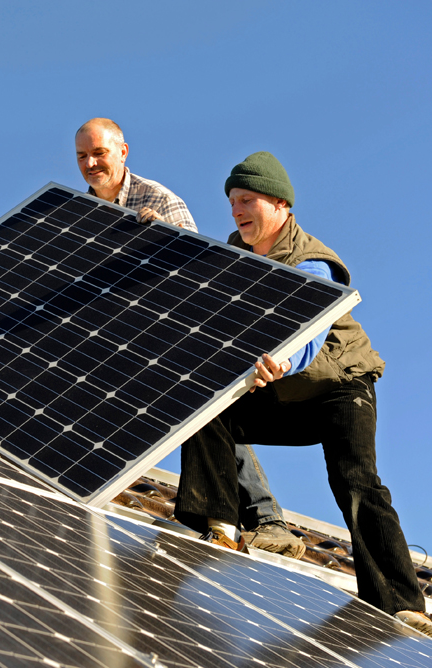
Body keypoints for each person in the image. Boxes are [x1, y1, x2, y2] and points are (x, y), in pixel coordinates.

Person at [174, 151, 432, 639]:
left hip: (340, 386)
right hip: (284, 393)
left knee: (355, 479)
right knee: (206, 410)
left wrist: (281, 362)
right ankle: (221, 528)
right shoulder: (233, 258)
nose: (237, 211)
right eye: (232, 202)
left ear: (280, 204)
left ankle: (401, 603)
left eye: (247, 200)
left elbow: (308, 332)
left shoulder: (311, 258)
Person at [75, 119, 303, 559]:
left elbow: (198, 274)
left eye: (99, 153)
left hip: (173, 326)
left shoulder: (158, 200)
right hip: (120, 330)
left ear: (122, 151)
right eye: (82, 156)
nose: (90, 163)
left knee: (205, 411)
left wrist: (164, 238)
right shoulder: (79, 213)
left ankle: (261, 516)